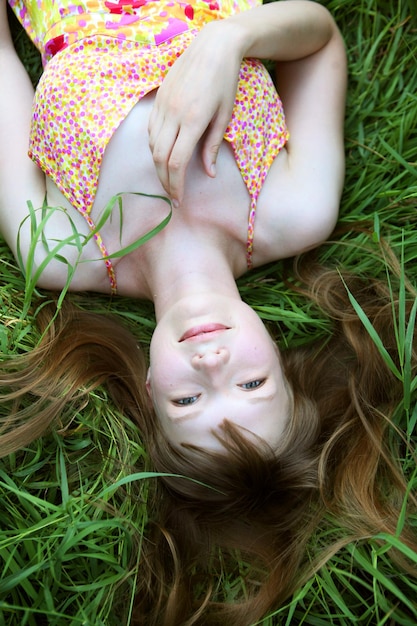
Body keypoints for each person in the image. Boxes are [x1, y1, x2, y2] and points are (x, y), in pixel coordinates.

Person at [1, 0, 416, 624]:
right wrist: (231, 39)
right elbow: (321, 39)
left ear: (147, 389)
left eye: (187, 402)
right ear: (278, 356)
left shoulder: (59, 253)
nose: (211, 362)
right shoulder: (295, 211)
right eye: (250, 384)